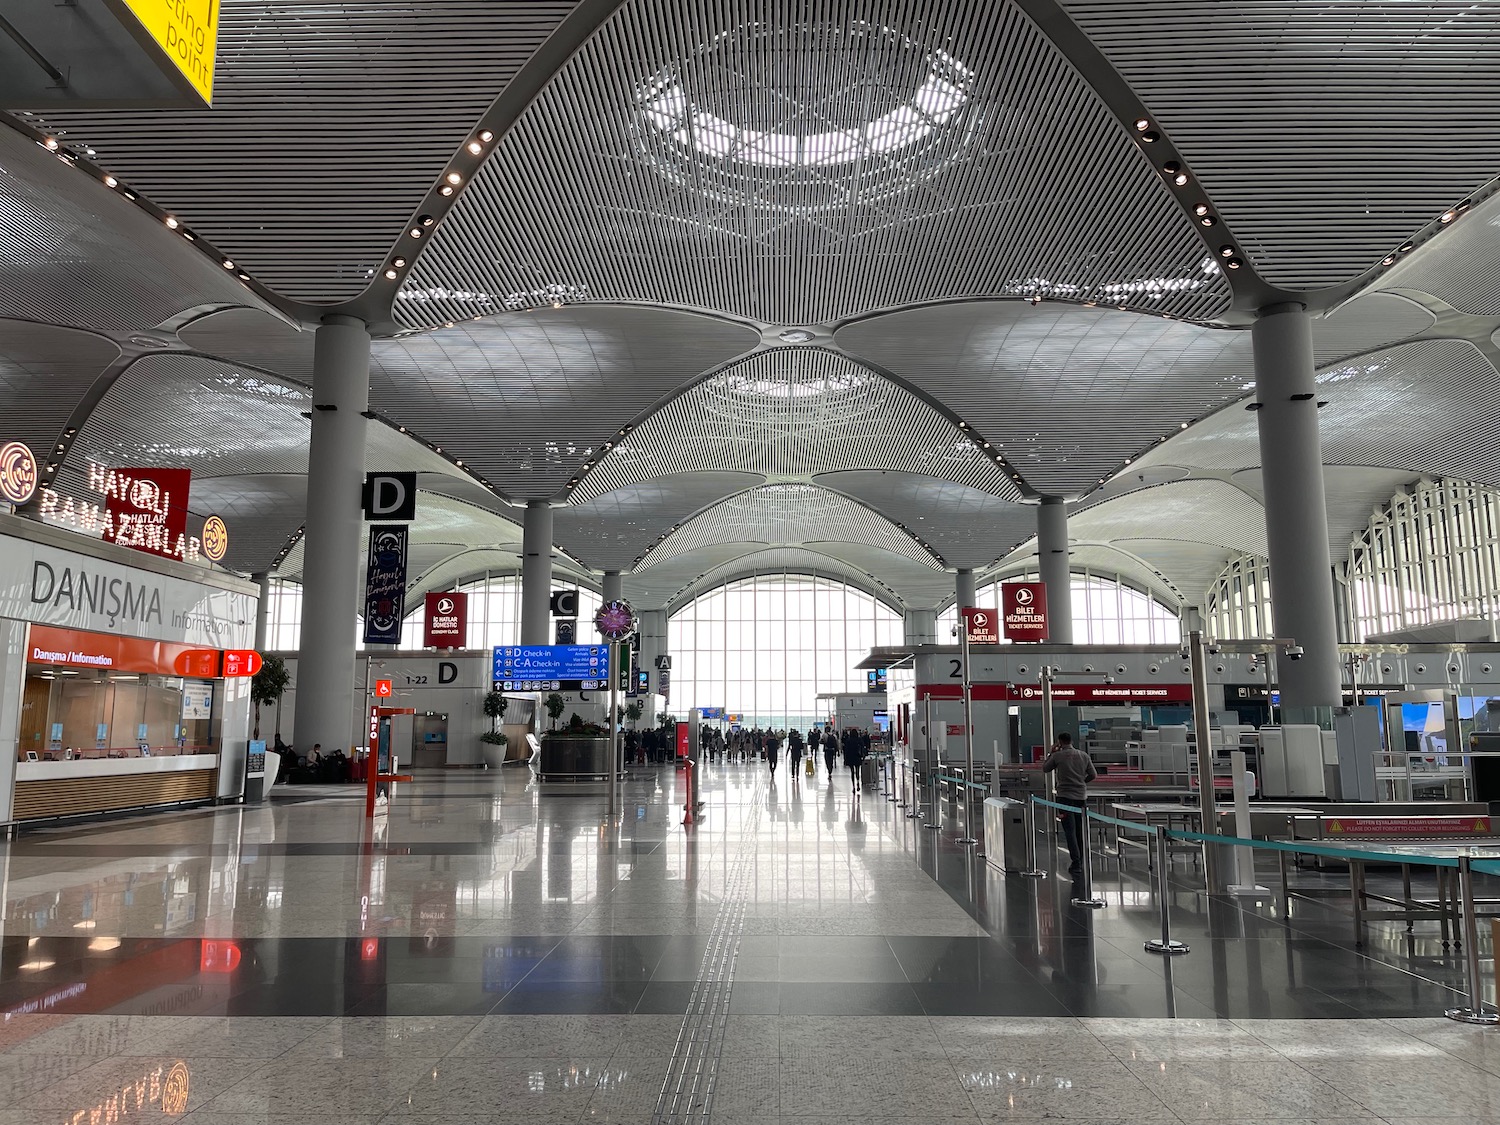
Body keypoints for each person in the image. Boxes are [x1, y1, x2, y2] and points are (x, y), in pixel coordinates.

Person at [1043, 732, 1097, 876]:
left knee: (1069, 830)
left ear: (1059, 742)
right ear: (1071, 740)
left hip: (1064, 797)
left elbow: (1045, 768)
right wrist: (1081, 783)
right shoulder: (1083, 755)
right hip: (1081, 797)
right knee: (1080, 829)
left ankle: (1076, 862)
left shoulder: (1057, 756)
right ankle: (1083, 859)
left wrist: (1051, 752)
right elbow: (1093, 775)